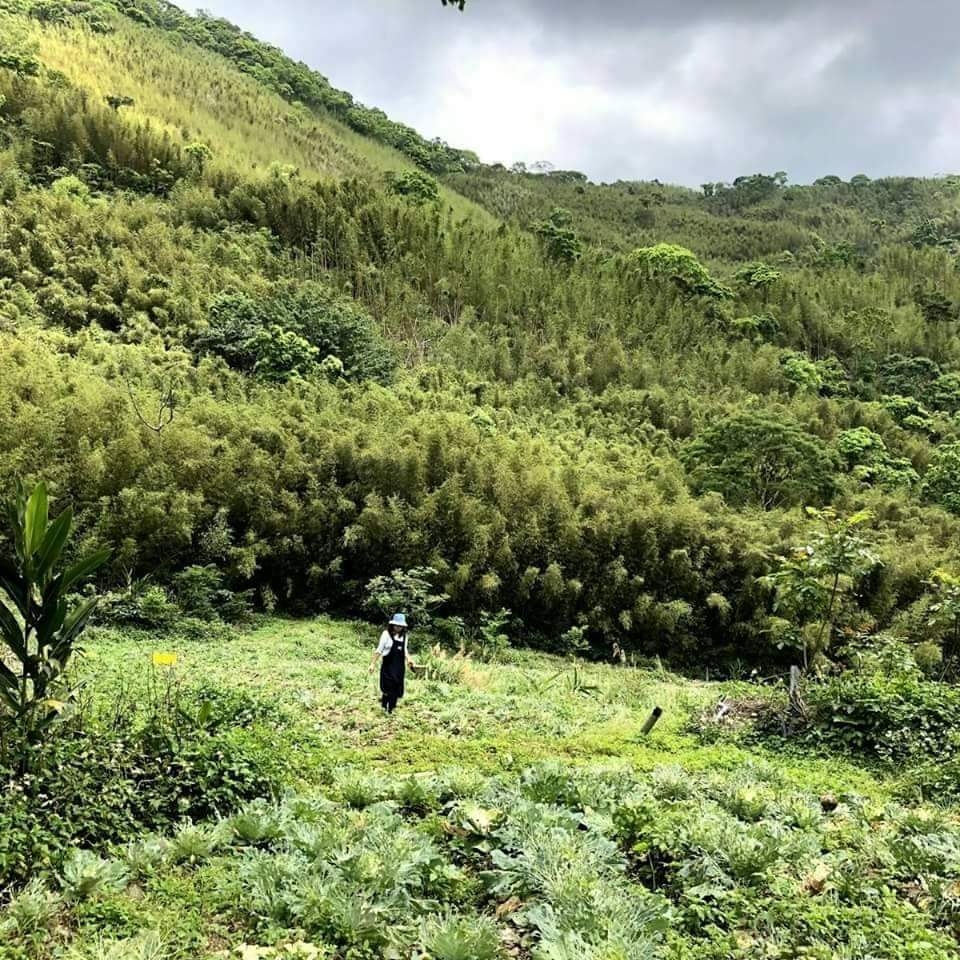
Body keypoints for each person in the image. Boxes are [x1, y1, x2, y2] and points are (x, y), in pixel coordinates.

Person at [369, 613, 415, 713]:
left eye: (400, 626)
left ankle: (391, 709)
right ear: (392, 625)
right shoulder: (386, 634)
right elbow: (379, 650)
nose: (398, 628)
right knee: (387, 688)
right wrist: (372, 664)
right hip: (388, 666)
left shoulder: (404, 636)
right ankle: (384, 706)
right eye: (396, 625)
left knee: (396, 688)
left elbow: (405, 650)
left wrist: (409, 660)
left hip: (399, 667)